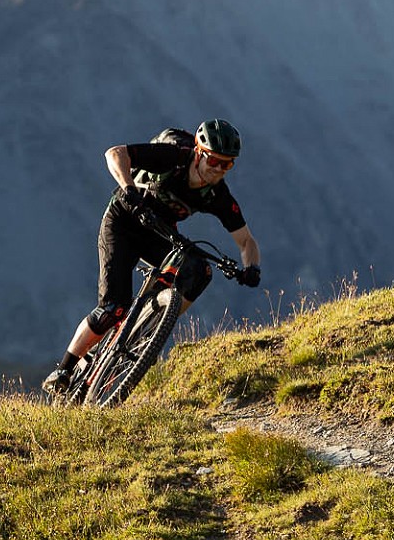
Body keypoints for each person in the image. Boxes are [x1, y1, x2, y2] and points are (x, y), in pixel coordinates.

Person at [42, 119, 262, 396]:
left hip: (159, 233)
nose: (217, 169)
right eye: (214, 160)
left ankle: (152, 323)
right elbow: (115, 153)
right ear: (199, 151)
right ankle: (64, 369)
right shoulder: (174, 157)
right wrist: (129, 189)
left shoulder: (217, 195)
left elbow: (246, 241)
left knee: (200, 271)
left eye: (226, 164)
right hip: (123, 221)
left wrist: (251, 267)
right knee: (113, 308)